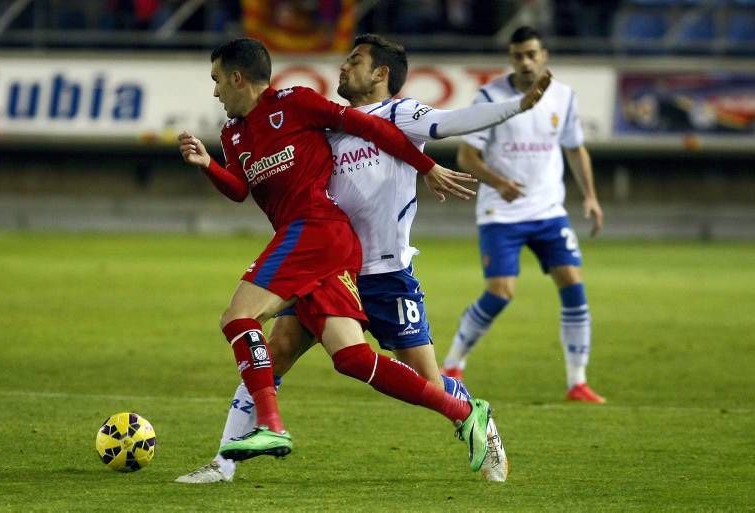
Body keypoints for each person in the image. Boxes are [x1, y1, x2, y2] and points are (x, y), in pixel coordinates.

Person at [176, 34, 552, 484]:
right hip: (326, 263)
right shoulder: (327, 124)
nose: (342, 67)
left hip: (386, 271)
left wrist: (516, 107)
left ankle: (475, 417)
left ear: (380, 74)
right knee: (275, 352)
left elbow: (454, 122)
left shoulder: (398, 113)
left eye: (354, 61)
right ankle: (226, 463)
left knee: (428, 382)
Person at [440, 26, 606, 404]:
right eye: (518, 56)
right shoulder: (490, 97)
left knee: (574, 286)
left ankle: (577, 382)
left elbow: (576, 150)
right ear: (511, 58)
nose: (526, 62)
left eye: (532, 54)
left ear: (544, 55)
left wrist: (592, 197)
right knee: (500, 293)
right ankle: (453, 364)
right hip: (501, 213)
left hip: (549, 212)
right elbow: (466, 156)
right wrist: (499, 183)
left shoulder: (563, 97)